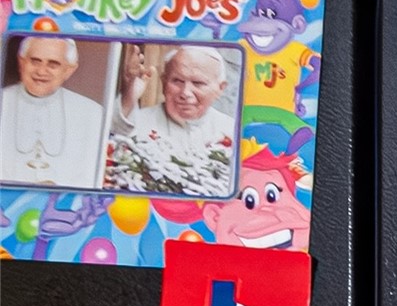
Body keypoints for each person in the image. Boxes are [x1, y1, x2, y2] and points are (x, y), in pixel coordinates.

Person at [103, 45, 237, 196]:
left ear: (221, 88)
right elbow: (107, 139)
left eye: (198, 83)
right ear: (163, 81)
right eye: (177, 81)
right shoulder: (133, 121)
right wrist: (129, 96)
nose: (185, 93)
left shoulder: (233, 131)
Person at [1, 36, 105, 187]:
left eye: (53, 64)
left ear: (69, 70)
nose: (41, 71)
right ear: (21, 62)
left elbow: (91, 178)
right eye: (35, 61)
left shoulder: (92, 113)